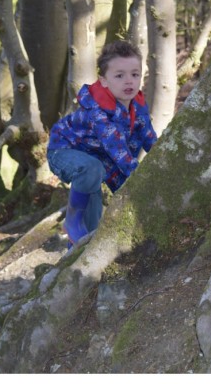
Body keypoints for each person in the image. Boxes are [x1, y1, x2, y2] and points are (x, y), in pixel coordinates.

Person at [46, 41, 157, 247]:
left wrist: (163, 161)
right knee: (91, 170)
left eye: (135, 74)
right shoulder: (97, 110)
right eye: (119, 75)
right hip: (65, 150)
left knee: (93, 223)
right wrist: (141, 177)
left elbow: (149, 137)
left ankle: (76, 256)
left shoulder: (138, 104)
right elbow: (116, 148)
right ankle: (72, 219)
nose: (129, 81)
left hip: (102, 160)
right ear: (103, 81)